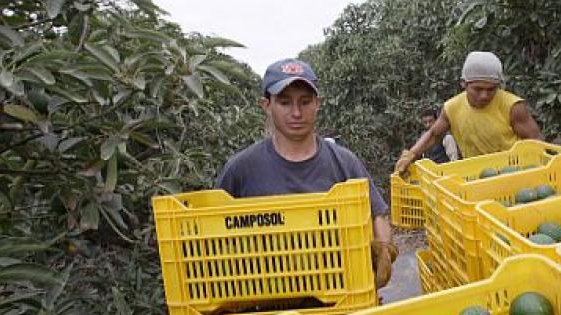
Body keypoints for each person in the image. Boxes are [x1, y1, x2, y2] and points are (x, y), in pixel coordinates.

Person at [216, 58, 397, 289]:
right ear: (266, 105)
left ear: (317, 103)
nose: (296, 112)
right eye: (284, 102)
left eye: (305, 102)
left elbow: (377, 214)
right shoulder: (241, 169)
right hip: (266, 301)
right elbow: (215, 230)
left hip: (337, 294)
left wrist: (383, 247)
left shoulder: (343, 162)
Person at [395, 51, 543, 174]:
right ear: (463, 84)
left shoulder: (512, 106)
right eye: (478, 89)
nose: (484, 95)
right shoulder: (452, 108)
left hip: (513, 172)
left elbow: (536, 141)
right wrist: (411, 154)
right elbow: (434, 134)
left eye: (491, 89)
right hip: (476, 175)